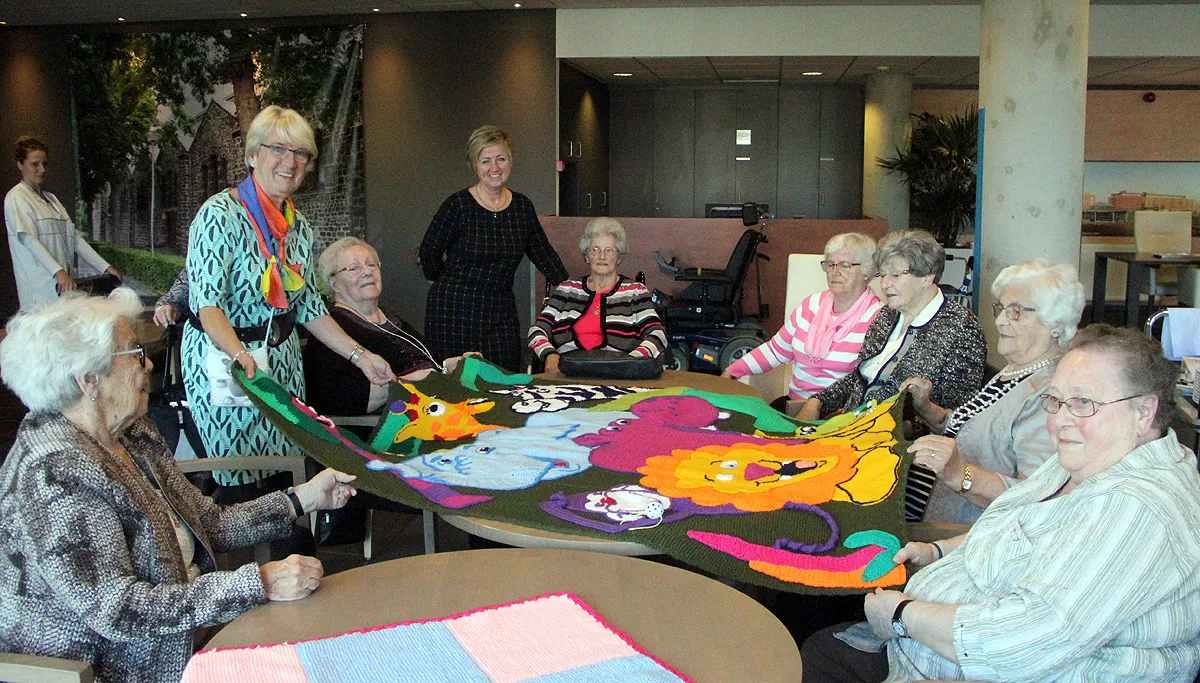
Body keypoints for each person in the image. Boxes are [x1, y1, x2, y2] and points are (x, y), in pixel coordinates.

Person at [801, 325, 1200, 683]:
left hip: (972, 664)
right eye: (1055, 401)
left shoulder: (1137, 510)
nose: (1060, 420)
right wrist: (937, 550)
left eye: (1083, 403)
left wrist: (903, 615)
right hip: (930, 644)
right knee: (813, 620)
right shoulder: (1085, 460)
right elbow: (1014, 529)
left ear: (1143, 412)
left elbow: (1026, 641)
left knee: (813, 648)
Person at [0, 289, 361, 683]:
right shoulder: (54, 472)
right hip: (118, 668)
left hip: (186, 637)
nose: (149, 363)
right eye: (134, 353)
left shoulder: (132, 435)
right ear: (89, 380)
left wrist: (303, 498)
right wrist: (256, 583)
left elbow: (208, 521)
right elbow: (118, 608)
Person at [182, 106, 394, 496]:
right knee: (241, 478)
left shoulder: (298, 226)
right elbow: (206, 304)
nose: (290, 162)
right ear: (252, 155)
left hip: (281, 360)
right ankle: (247, 557)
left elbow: (309, 308)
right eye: (278, 149)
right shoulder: (219, 215)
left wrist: (363, 357)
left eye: (301, 154)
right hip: (229, 361)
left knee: (288, 474)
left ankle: (296, 555)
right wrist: (238, 355)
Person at [900, 259, 1085, 523]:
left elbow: (1036, 494)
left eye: (1015, 311)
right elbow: (971, 430)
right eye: (1001, 308)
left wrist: (959, 474)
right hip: (930, 507)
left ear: (1055, 324)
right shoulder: (1015, 370)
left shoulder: (1050, 393)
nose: (999, 321)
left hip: (958, 531)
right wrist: (925, 407)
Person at [796, 230, 985, 425]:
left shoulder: (961, 328)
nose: (885, 284)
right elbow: (860, 377)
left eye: (895, 275)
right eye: (883, 275)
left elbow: (958, 417)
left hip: (896, 442)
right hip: (850, 427)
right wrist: (818, 401)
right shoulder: (887, 315)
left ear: (927, 277)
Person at [420, 124, 568, 372]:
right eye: (486, 161)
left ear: (510, 161)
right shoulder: (457, 205)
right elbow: (429, 253)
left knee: (506, 377)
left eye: (501, 159)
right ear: (474, 166)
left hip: (500, 307)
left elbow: (543, 253)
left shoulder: (522, 207)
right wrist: (446, 282)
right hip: (455, 308)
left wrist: (571, 293)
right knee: (462, 385)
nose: (494, 168)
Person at [305, 236, 478, 415]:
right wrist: (412, 382)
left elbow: (425, 359)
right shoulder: (331, 331)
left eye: (371, 264)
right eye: (354, 268)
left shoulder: (387, 317)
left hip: (436, 407)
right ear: (334, 284)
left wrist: (452, 364)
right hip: (394, 425)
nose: (367, 272)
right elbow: (342, 400)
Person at [722, 233, 882, 399]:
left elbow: (870, 382)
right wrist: (732, 370)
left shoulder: (877, 318)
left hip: (842, 416)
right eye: (830, 264)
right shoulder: (810, 306)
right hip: (795, 405)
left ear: (866, 270)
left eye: (845, 265)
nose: (835, 272)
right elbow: (775, 351)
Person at [528, 217, 666, 373]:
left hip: (617, 374)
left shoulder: (635, 292)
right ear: (587, 255)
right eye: (595, 249)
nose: (602, 256)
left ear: (618, 256)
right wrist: (549, 354)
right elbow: (537, 330)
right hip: (568, 372)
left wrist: (632, 361)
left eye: (609, 250)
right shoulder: (566, 289)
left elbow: (657, 333)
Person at [4, 135, 122, 311]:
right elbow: (29, 240)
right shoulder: (17, 197)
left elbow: (74, 239)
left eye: (45, 164)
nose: (42, 169)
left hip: (63, 288)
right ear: (20, 165)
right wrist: (57, 272)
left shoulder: (52, 200)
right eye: (35, 164)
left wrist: (104, 267)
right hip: (40, 291)